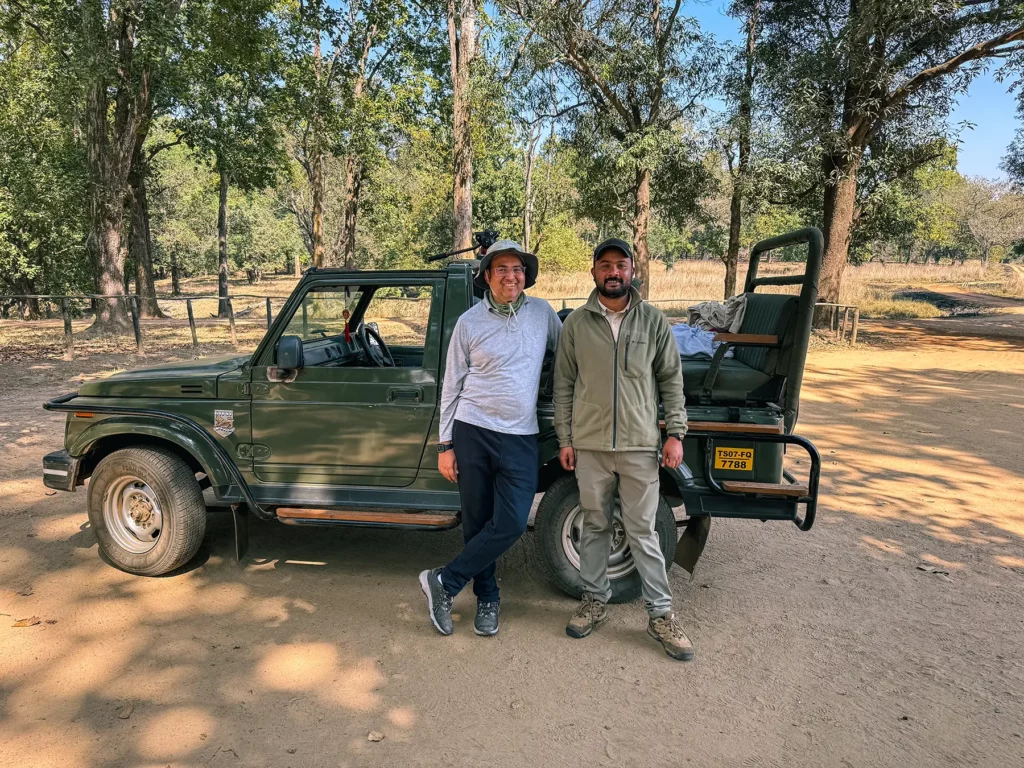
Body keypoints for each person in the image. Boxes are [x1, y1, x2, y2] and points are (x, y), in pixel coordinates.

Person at [552, 237, 694, 660]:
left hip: (639, 446)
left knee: (642, 531)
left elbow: (671, 380)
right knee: (595, 525)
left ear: (632, 271)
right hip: (591, 447)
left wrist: (676, 433)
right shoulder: (576, 324)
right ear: (593, 272)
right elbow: (563, 385)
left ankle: (661, 616)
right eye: (605, 265)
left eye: (621, 265)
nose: (613, 272)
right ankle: (594, 601)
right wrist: (566, 438)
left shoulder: (652, 321)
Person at [419, 240, 561, 637]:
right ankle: (488, 599)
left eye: (517, 268)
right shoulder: (469, 323)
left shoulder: (543, 314)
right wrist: (445, 445)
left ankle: (444, 582)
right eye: (501, 269)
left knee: (513, 521)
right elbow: (452, 385)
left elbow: (568, 356)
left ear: (526, 275)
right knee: (478, 522)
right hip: (473, 429)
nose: (510, 276)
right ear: (486, 276)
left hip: (520, 434)